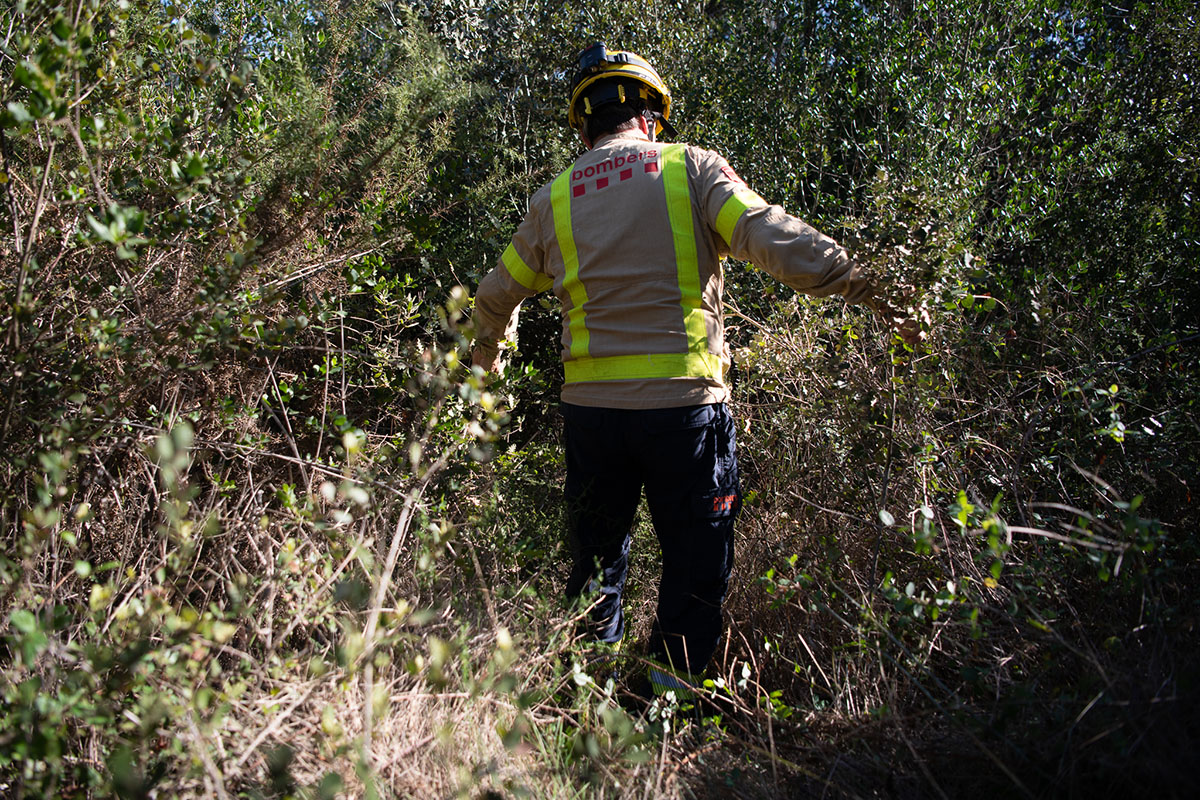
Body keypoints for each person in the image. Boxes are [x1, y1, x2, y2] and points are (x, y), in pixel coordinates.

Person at [471, 43, 918, 699]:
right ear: (650, 113)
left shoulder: (555, 201)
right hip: (686, 416)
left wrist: (490, 369)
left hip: (592, 420)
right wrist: (883, 291)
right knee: (695, 568)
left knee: (596, 564)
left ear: (583, 124)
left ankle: (586, 703)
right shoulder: (691, 171)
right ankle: (662, 704)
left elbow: (495, 295)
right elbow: (777, 241)